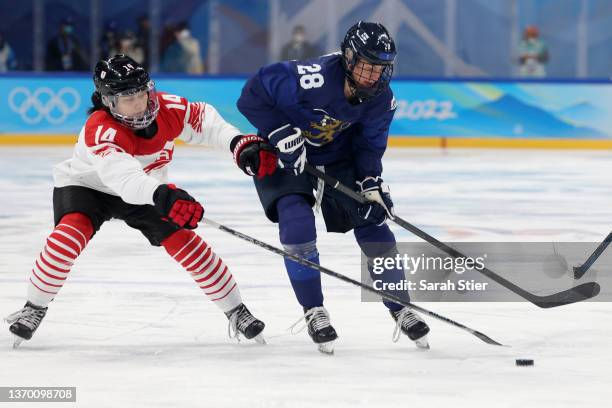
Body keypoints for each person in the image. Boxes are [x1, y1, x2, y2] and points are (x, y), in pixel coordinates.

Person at [4, 55, 266, 348]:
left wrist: (236, 143)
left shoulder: (169, 108)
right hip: (88, 186)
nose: (140, 103)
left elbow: (207, 122)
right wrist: (163, 195)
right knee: (67, 236)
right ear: (107, 101)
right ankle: (34, 306)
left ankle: (236, 309)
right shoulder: (101, 130)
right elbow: (124, 179)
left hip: (146, 188)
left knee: (187, 243)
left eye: (142, 92)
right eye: (128, 98)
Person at [234, 21, 430, 354]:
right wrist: (278, 131)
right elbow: (251, 95)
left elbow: (371, 143)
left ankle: (400, 307)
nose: (373, 76)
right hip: (286, 155)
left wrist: (370, 180)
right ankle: (314, 310)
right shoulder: (312, 77)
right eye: (367, 66)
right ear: (349, 58)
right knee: (296, 221)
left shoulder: (382, 98)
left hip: (338, 157)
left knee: (373, 220)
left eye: (381, 68)